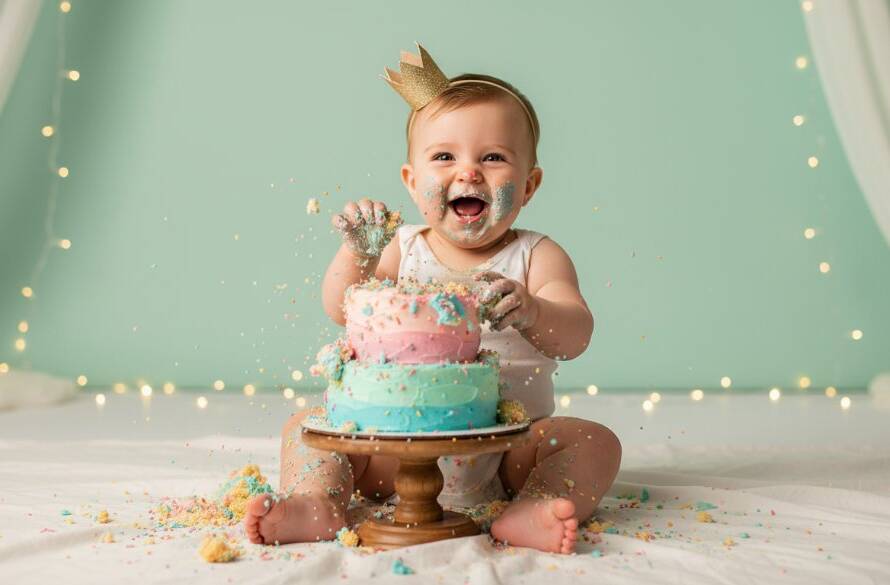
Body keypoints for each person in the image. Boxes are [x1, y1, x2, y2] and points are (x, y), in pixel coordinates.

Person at [244, 45, 621, 554]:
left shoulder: (536, 256)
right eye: (444, 156)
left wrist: (533, 309)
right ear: (411, 181)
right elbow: (341, 307)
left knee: (593, 440)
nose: (468, 172)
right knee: (304, 428)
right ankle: (318, 502)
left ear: (529, 185)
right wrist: (358, 253)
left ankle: (532, 507)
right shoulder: (403, 250)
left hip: (508, 449)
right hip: (395, 452)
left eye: (493, 157)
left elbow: (575, 334)